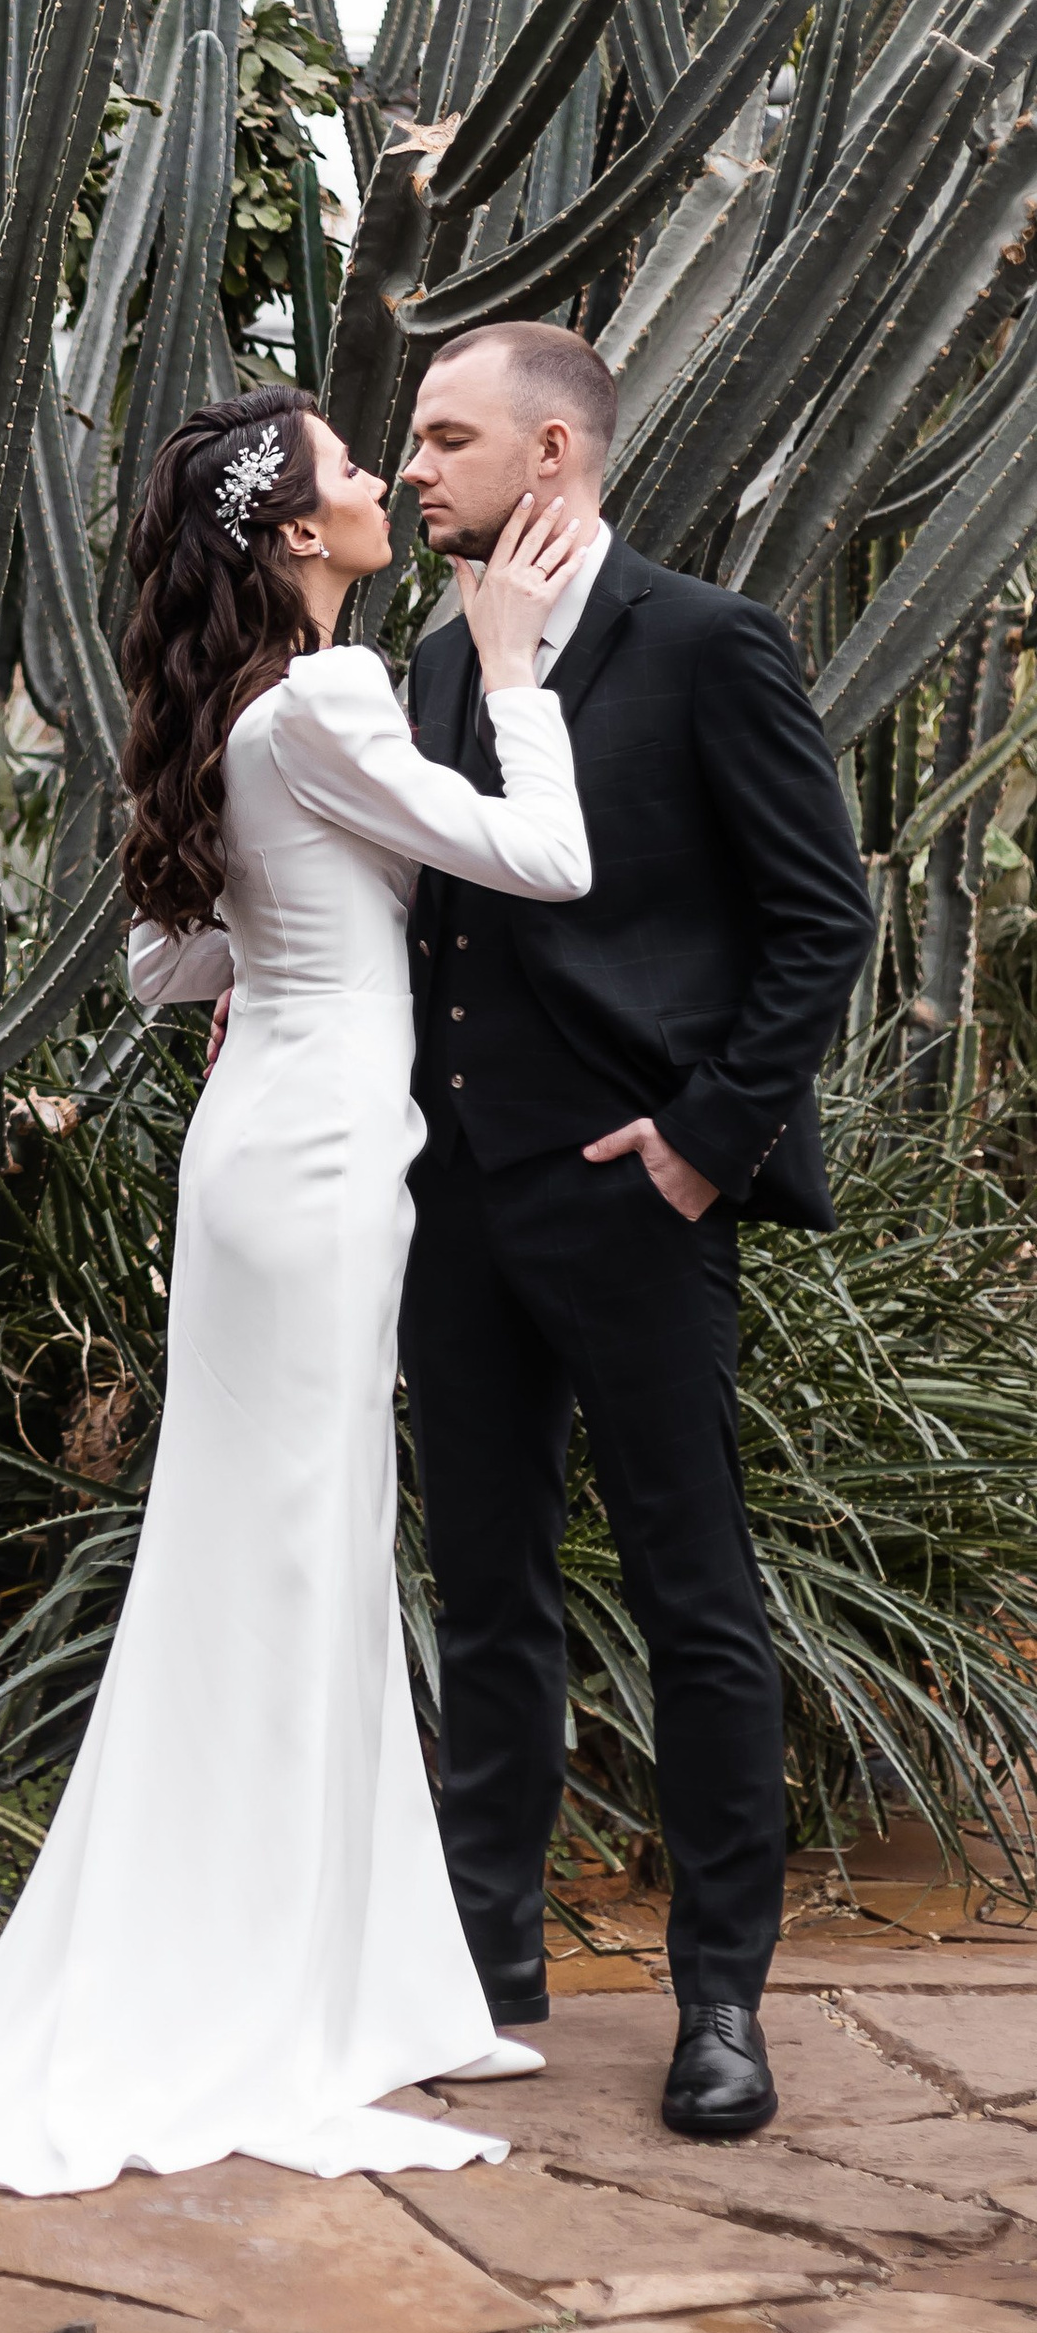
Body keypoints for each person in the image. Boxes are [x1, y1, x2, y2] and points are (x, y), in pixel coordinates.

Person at [0, 386, 592, 2198]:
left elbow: (164, 961)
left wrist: (305, 935)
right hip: (310, 1163)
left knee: (281, 1548)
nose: (383, 480)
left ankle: (348, 1978)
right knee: (297, 1550)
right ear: (299, 537)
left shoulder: (244, 713)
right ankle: (278, 1998)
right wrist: (517, 674)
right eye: (349, 472)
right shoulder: (330, 692)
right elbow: (548, 860)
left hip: (267, 1149)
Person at [397, 323, 874, 2143]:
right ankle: (490, 1959)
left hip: (632, 1184)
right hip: (460, 1195)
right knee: (490, 1586)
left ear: (555, 454)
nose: (417, 468)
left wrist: (698, 1142)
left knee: (695, 1590)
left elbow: (819, 920)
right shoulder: (447, 663)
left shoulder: (706, 643)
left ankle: (721, 2003)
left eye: (448, 439)